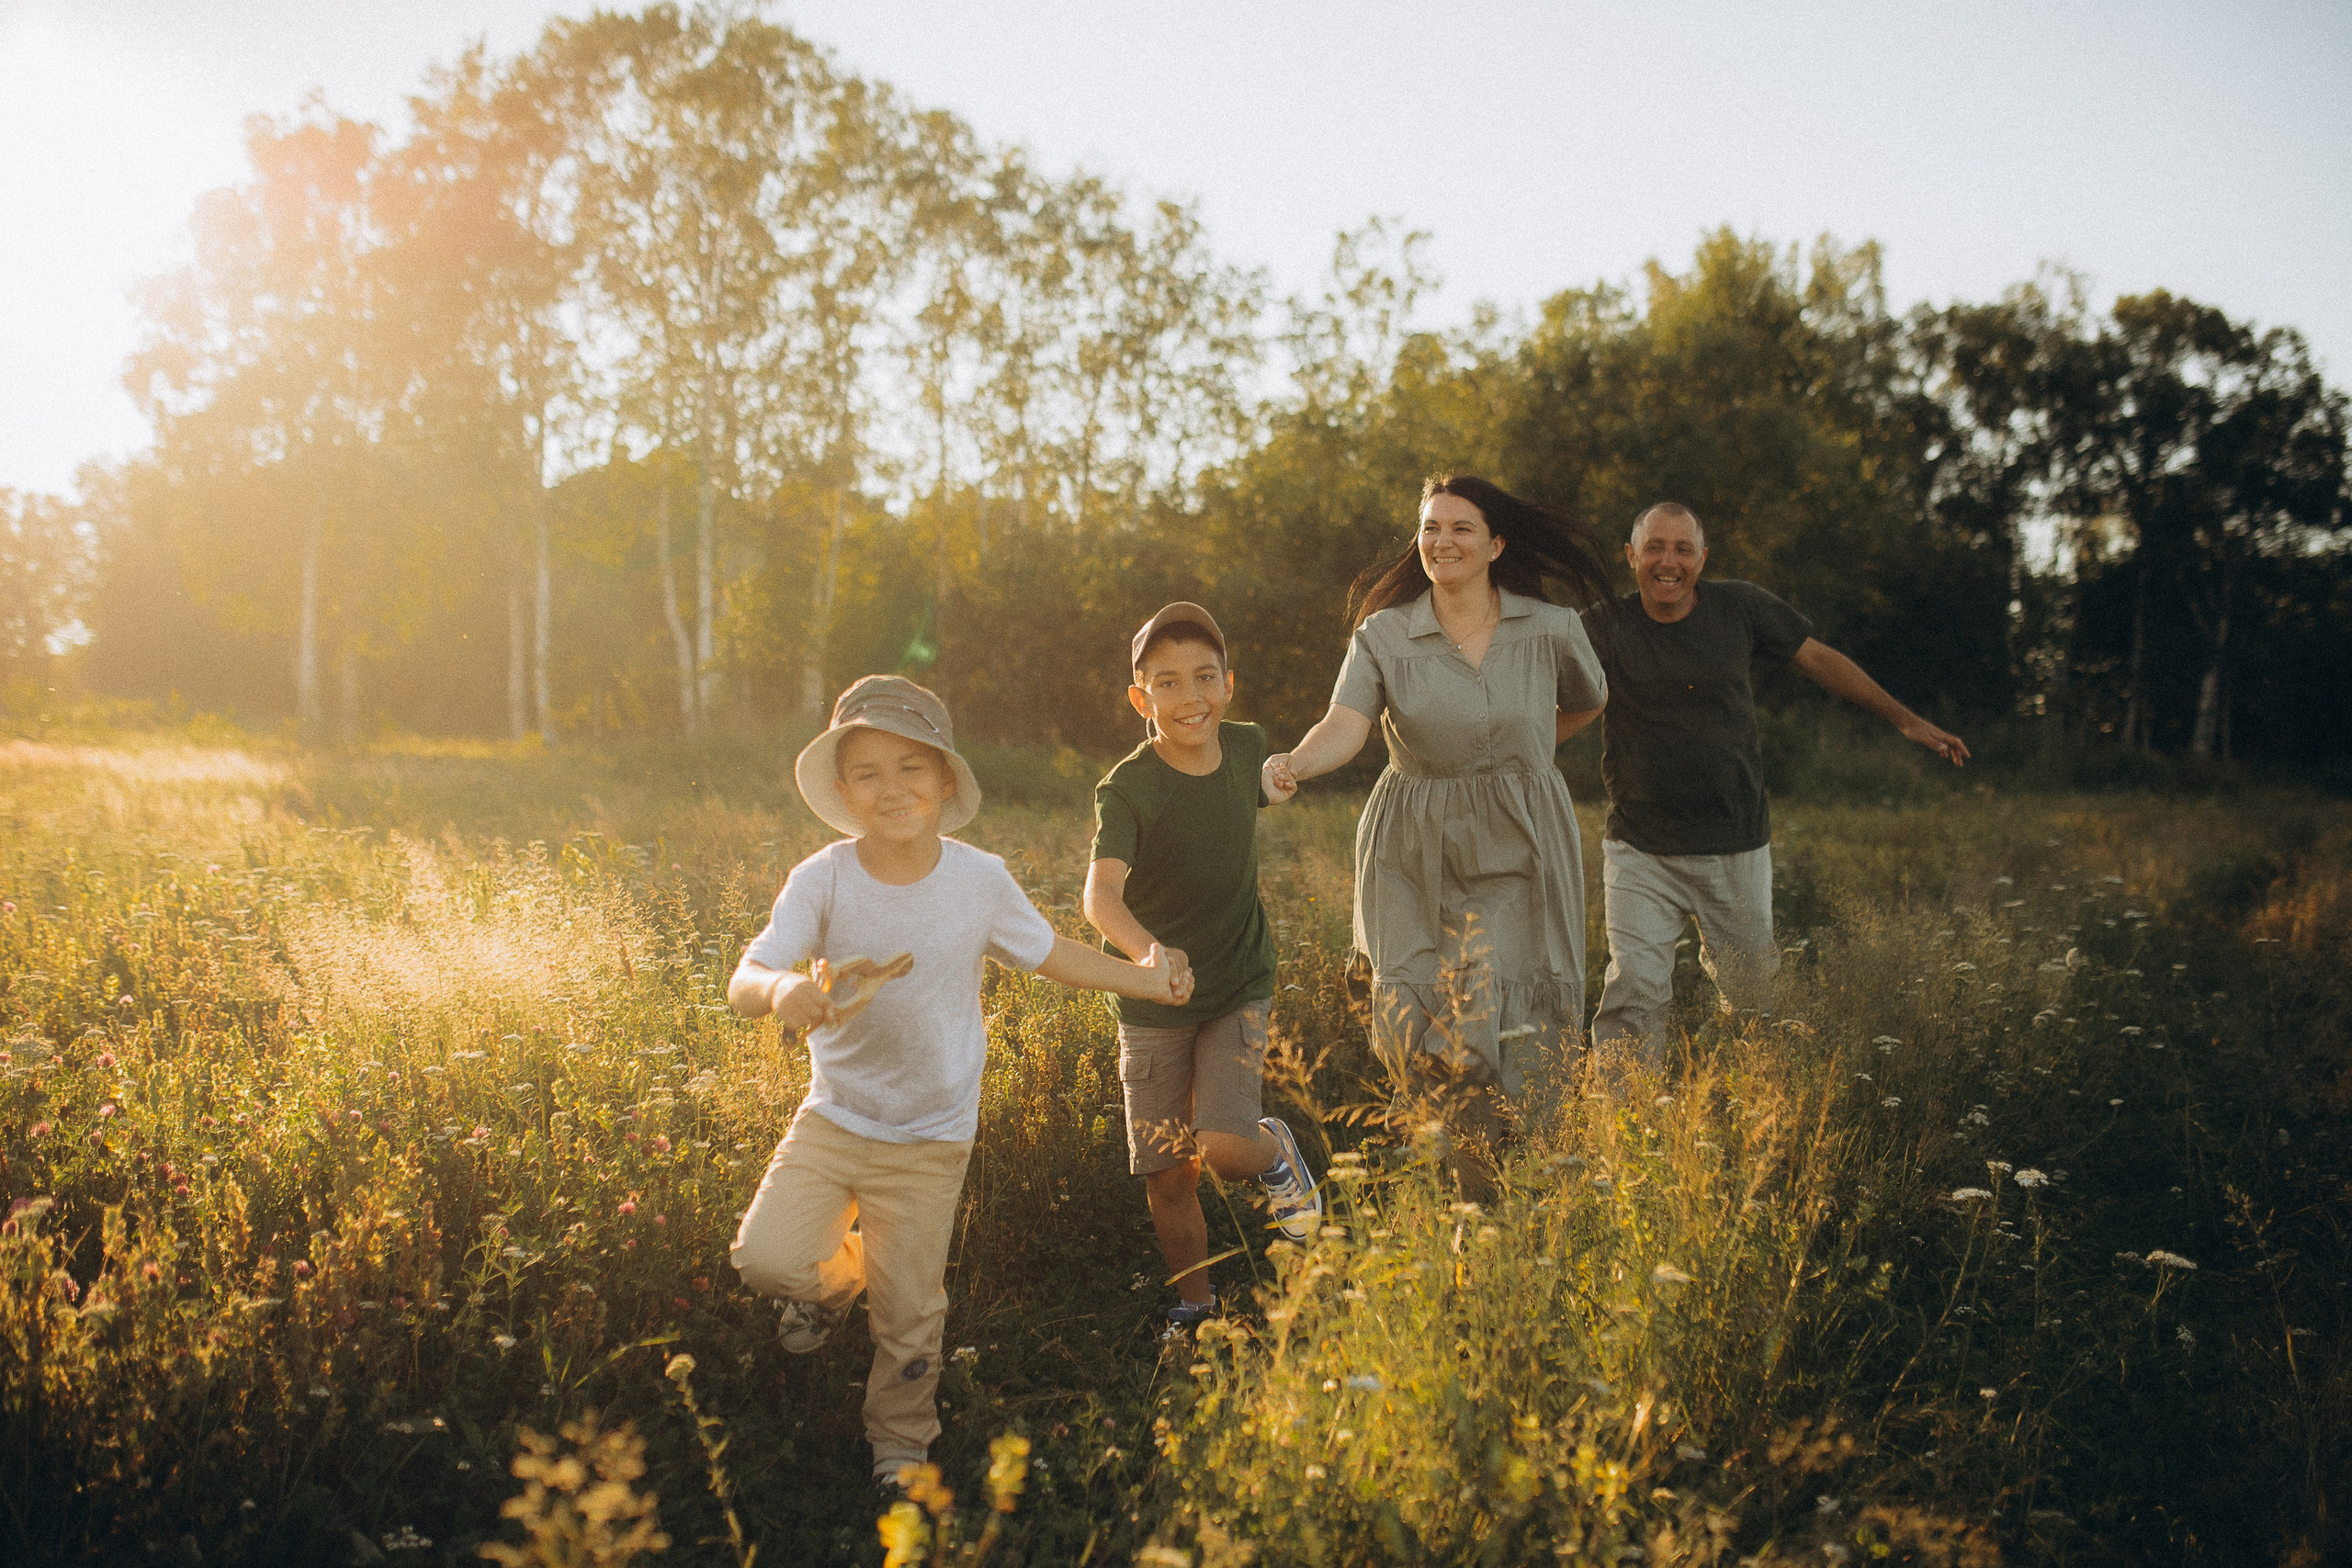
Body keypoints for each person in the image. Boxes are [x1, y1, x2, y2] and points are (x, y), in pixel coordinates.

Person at [726, 674, 1188, 1490]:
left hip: (930, 1136)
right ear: (841, 791)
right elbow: (747, 974)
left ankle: (900, 1444)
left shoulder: (978, 881)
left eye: (911, 767)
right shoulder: (824, 877)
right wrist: (781, 990)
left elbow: (1052, 956)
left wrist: (1146, 978)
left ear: (944, 780)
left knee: (910, 1314)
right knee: (765, 1259)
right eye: (866, 772)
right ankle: (833, 1280)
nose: (891, 788)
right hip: (834, 1119)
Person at [1262, 476, 1612, 1187]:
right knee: (1412, 1014)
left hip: (1519, 840)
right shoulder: (1386, 634)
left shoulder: (1549, 628)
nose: (1441, 541)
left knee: (1490, 1013)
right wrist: (1293, 763)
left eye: (1459, 528)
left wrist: (1524, 759)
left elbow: (1588, 698)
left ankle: (1521, 1177)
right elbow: (1345, 725)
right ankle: (1469, 1197)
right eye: (1430, 528)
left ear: (1496, 544)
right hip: (1409, 845)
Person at [1582, 502, 1970, 1066]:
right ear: (1631, 556)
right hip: (1640, 848)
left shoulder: (1739, 606)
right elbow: (1541, 674)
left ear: (1702, 559)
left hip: (1734, 844)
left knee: (1753, 1001)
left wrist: (1904, 718)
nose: (1669, 562)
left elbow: (1818, 659)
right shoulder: (1604, 625)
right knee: (1633, 993)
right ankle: (1621, 1126)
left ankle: (1760, 1113)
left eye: (1683, 549)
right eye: (1654, 548)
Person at [1085, 603, 1324, 1339]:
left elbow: (1259, 784)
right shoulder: (1129, 787)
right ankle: (1196, 1306)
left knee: (1221, 1148)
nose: (1188, 698)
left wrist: (1279, 781)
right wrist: (1148, 955)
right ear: (1140, 699)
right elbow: (1098, 896)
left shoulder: (1247, 745)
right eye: (1166, 683)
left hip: (1237, 980)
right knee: (1168, 1171)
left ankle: (1275, 1149)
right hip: (1157, 996)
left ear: (1228, 685)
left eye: (1203, 678)